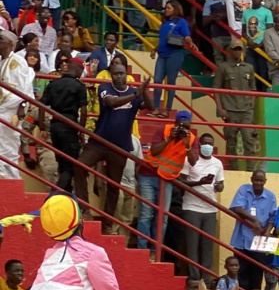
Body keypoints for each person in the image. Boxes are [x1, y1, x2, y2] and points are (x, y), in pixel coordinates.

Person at [74, 67, 151, 233]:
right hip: (99, 141)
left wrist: (145, 92)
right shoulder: (105, 88)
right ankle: (85, 208)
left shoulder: (134, 92)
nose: (118, 76)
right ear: (111, 75)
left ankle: (108, 223)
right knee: (79, 165)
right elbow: (111, 102)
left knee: (114, 186)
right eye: (115, 73)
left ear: (126, 75)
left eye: (121, 73)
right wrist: (137, 94)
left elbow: (150, 107)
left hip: (120, 146)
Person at [139, 111, 198, 257]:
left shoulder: (191, 139)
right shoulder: (164, 130)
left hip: (167, 178)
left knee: (162, 217)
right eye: (180, 124)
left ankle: (154, 251)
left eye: (186, 125)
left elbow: (193, 161)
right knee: (146, 214)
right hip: (149, 174)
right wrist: (170, 138)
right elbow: (153, 150)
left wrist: (187, 146)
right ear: (175, 123)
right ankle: (142, 249)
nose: (183, 128)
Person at [177, 132, 224, 280]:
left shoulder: (218, 163)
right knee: (192, 246)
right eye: (205, 143)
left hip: (210, 209)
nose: (208, 146)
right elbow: (181, 182)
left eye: (210, 144)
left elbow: (221, 184)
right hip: (192, 208)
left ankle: (206, 279)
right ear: (199, 145)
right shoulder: (190, 160)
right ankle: (195, 278)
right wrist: (199, 182)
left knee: (207, 246)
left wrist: (217, 186)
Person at [39, 58, 88, 191]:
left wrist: (42, 126)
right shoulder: (79, 86)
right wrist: (81, 131)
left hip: (55, 125)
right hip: (70, 124)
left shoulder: (53, 83)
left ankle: (64, 194)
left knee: (61, 163)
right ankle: (56, 193)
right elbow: (83, 111)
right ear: (78, 70)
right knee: (70, 165)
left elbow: (41, 105)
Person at [229, 170, 277, 290]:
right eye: (256, 180)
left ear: (265, 181)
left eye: (261, 180)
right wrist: (254, 219)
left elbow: (272, 218)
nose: (258, 183)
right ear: (251, 179)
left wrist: (267, 231)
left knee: (256, 278)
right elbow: (236, 207)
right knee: (241, 276)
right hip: (242, 241)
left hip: (259, 244)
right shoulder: (244, 190)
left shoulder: (271, 197)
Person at [213, 38, 257, 170]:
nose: (237, 52)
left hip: (246, 110)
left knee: (249, 139)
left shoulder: (249, 68)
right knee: (231, 141)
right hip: (230, 109)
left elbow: (253, 89)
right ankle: (233, 170)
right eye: (234, 49)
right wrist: (220, 109)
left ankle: (251, 170)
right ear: (229, 51)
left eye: (239, 49)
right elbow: (216, 89)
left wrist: (251, 107)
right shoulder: (223, 67)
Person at [150, 0, 195, 117]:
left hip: (175, 54)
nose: (166, 10)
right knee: (157, 81)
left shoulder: (181, 22)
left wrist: (191, 43)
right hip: (162, 54)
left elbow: (186, 35)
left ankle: (167, 109)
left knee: (170, 82)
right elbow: (163, 41)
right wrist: (155, 50)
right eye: (166, 8)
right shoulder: (164, 23)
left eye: (169, 8)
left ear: (175, 9)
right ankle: (156, 108)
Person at [0, 29, 34, 179]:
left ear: (9, 43)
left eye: (0, 39)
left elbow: (23, 87)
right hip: (3, 109)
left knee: (7, 148)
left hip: (9, 110)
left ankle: (11, 179)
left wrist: (22, 106)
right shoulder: (1, 61)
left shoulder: (17, 61)